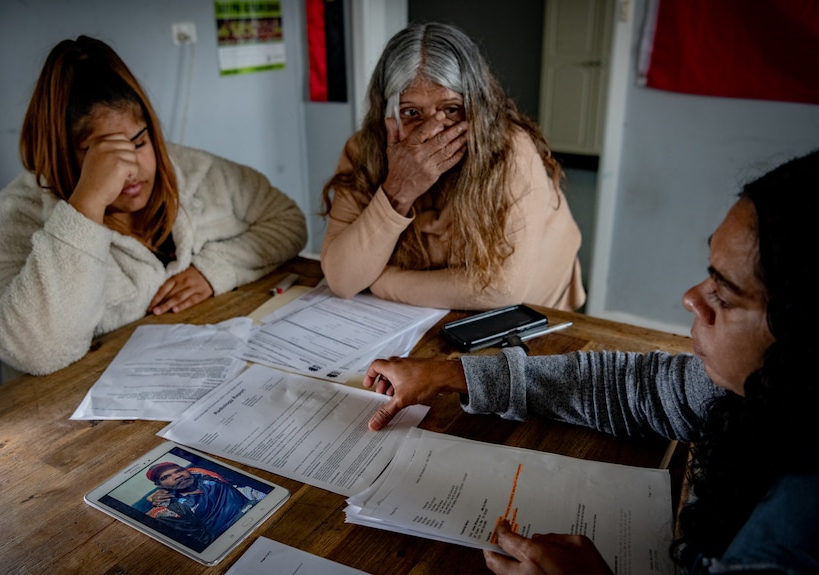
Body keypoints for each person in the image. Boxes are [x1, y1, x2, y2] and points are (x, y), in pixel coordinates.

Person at [362, 150, 819, 574]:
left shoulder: (794, 532)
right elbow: (635, 387)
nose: (691, 298)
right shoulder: (753, 392)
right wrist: (450, 372)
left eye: (726, 292)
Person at [0, 35, 307, 376]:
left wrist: (215, 269)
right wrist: (87, 204)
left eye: (139, 142)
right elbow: (36, 353)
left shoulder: (191, 169)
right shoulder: (11, 219)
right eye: (103, 153)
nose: (130, 168)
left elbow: (288, 221)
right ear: (63, 155)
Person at [319, 22, 585, 311]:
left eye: (450, 110)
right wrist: (397, 190)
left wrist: (380, 281)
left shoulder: (510, 150)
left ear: (477, 106)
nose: (432, 131)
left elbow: (501, 287)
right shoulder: (364, 150)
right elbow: (343, 280)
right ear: (387, 114)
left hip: (535, 312)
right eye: (411, 112)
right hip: (422, 315)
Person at [144, 462, 265, 547]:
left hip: (260, 508)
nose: (177, 476)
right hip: (238, 535)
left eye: (179, 470)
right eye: (166, 477)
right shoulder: (169, 510)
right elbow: (205, 542)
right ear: (159, 485)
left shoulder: (202, 474)